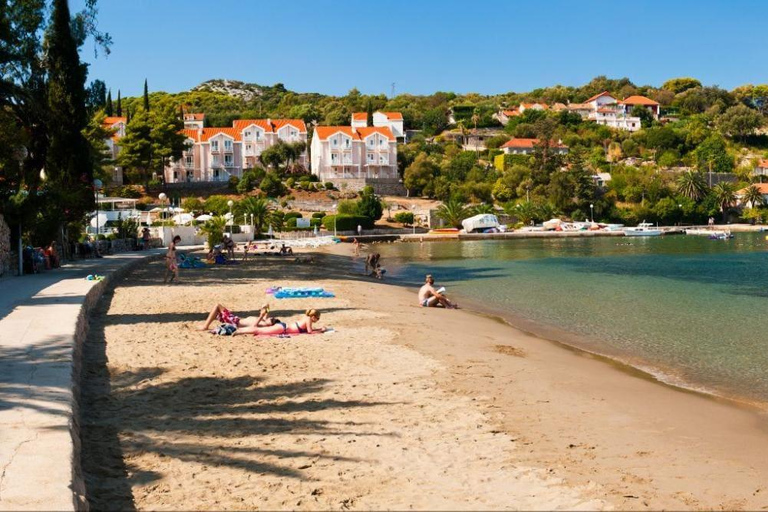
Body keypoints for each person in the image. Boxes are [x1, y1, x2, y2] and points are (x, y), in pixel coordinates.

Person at [231, 309, 327, 336]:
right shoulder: (308, 319)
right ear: (313, 317)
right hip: (283, 328)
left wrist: (319, 329)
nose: (317, 320)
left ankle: (240, 330)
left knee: (261, 330)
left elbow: (309, 330)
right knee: (259, 330)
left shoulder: (306, 318)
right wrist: (321, 331)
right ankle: (239, 331)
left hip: (283, 327)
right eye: (317, 318)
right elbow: (310, 332)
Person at [199, 303, 279, 331]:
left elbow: (254, 326)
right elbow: (266, 313)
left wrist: (261, 315)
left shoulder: (263, 324)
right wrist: (267, 308)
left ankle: (205, 326)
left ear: (270, 324)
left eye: (272, 320)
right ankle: (206, 325)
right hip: (235, 319)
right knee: (218, 309)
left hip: (235, 322)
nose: (271, 318)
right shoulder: (264, 321)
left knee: (217, 306)